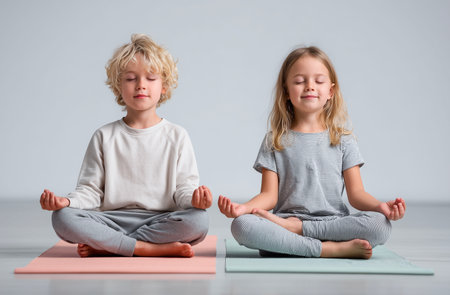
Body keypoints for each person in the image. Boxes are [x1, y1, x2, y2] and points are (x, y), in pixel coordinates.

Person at [218, 46, 405, 259]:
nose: (309, 87)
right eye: (299, 81)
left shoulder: (344, 140)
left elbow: (356, 194)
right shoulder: (275, 139)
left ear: (331, 92)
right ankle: (328, 250)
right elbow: (269, 196)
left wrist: (381, 206)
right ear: (287, 91)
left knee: (380, 225)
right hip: (285, 222)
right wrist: (243, 209)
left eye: (319, 81)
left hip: (333, 225)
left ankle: (298, 239)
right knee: (242, 225)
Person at [40, 34, 212, 258]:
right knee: (62, 217)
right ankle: (146, 249)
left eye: (150, 78)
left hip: (159, 219)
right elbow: (90, 191)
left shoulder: (177, 136)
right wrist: (67, 201)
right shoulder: (104, 136)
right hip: (111, 219)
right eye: (131, 78)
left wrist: (195, 200)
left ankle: (109, 246)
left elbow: (183, 190)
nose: (141, 85)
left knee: (199, 220)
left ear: (164, 86)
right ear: (118, 86)